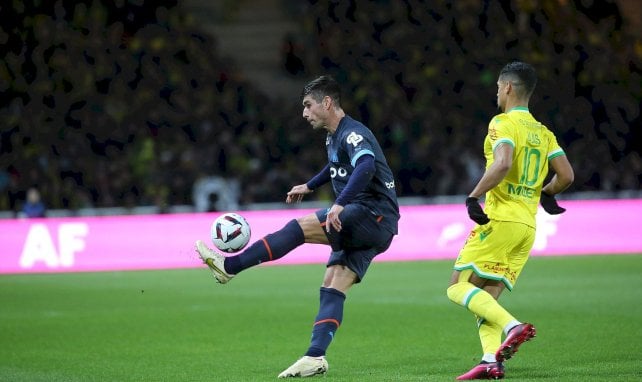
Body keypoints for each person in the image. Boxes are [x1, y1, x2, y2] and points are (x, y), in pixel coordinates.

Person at [195, 75, 400, 378]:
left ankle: (231, 266)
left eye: (308, 105)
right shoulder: (334, 136)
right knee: (332, 284)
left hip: (372, 214)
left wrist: (340, 203)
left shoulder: (354, 134)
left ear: (327, 103)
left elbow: (365, 166)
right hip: (377, 226)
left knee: (299, 227)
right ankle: (315, 357)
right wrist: (310, 184)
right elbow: (335, 167)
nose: (304, 113)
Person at [446, 61, 574, 380]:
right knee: (486, 297)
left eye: (497, 88)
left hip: (500, 220)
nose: (497, 93)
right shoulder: (543, 132)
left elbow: (502, 163)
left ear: (507, 87)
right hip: (527, 227)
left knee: (458, 287)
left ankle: (512, 327)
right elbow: (567, 176)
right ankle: (491, 360)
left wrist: (473, 196)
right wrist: (546, 193)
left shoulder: (502, 123)